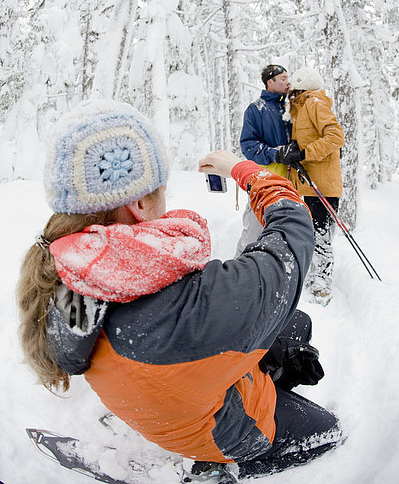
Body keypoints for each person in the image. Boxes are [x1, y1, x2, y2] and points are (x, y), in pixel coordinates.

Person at [17, 100, 342, 481]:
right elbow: (292, 229)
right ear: (139, 203)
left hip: (154, 400)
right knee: (327, 431)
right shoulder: (198, 304)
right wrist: (243, 170)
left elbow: (75, 359)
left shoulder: (67, 271)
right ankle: (215, 462)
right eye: (161, 188)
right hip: (210, 426)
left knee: (296, 323)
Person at [281, 66, 345, 305]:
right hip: (306, 185)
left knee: (321, 237)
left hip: (322, 186)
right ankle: (313, 279)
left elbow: (335, 137)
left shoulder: (313, 103)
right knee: (308, 235)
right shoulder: (300, 108)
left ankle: (322, 285)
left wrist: (305, 153)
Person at [235, 64, 303, 257]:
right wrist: (276, 153)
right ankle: (239, 269)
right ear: (269, 82)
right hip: (265, 180)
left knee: (288, 230)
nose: (287, 82)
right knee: (254, 231)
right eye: (282, 78)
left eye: (287, 77)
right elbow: (248, 146)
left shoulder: (293, 107)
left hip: (292, 182)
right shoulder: (256, 109)